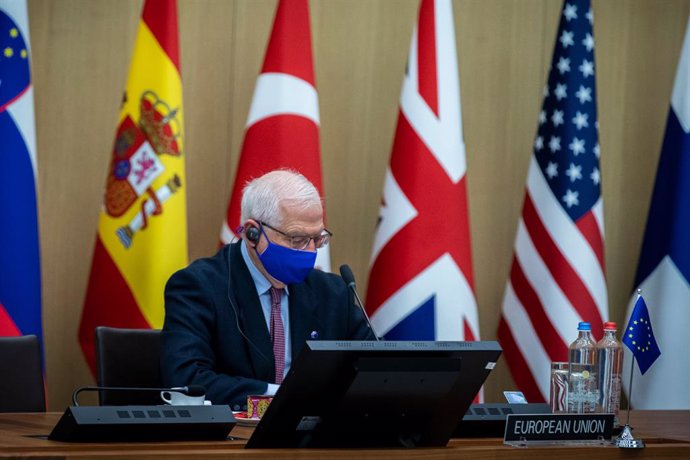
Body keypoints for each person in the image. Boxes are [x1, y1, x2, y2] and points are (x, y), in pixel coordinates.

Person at [160, 169, 375, 410]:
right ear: (253, 233)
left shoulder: (334, 293)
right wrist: (282, 395)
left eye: (318, 239)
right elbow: (186, 380)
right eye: (297, 239)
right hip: (229, 439)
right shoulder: (198, 287)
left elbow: (375, 371)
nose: (310, 251)